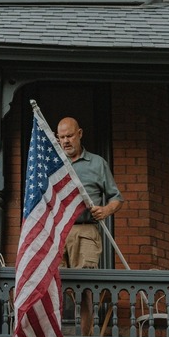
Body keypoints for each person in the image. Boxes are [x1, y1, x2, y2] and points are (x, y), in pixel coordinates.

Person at [56, 115, 123, 269]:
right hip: (57, 231)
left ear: (80, 133)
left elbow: (117, 198)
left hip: (85, 229)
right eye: (62, 137)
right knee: (56, 285)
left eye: (70, 136)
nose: (66, 141)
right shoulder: (53, 165)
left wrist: (106, 210)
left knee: (84, 285)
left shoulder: (97, 163)